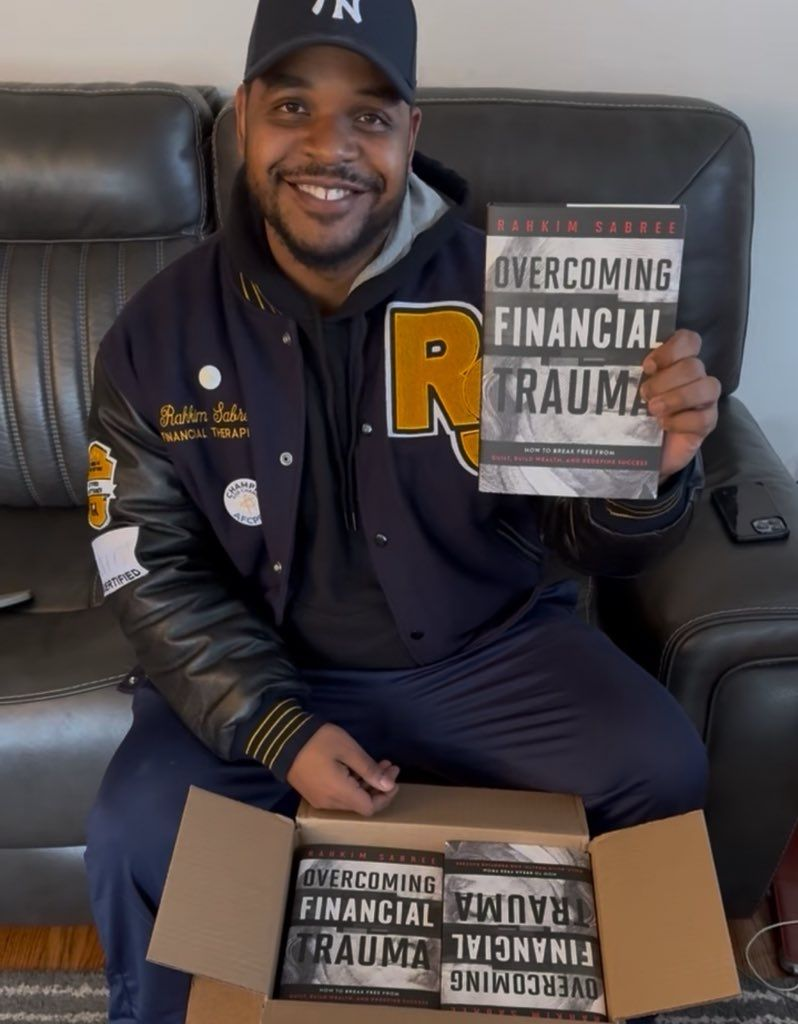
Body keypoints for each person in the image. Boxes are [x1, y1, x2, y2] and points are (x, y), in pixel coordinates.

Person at [84, 1, 722, 1021]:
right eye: (294, 105)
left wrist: (643, 475)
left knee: (658, 765)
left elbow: (587, 544)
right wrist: (281, 730)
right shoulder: (156, 331)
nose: (329, 146)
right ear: (244, 117)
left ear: (411, 134)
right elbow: (147, 564)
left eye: (369, 115)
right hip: (266, 663)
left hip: (485, 653)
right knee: (136, 829)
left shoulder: (515, 292)